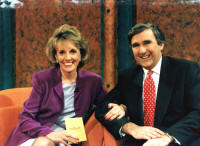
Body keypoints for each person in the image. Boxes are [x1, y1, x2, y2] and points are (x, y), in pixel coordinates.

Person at [95, 23, 200, 146]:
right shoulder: (128, 77)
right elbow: (102, 108)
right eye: (136, 45)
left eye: (147, 43)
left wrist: (168, 137)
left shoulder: (185, 70)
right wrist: (130, 127)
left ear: (161, 44)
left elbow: (197, 112)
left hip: (174, 140)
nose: (142, 50)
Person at [5, 24, 107, 146]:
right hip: (38, 134)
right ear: (56, 56)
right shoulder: (43, 79)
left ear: (81, 54)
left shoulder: (92, 81)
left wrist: (121, 107)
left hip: (69, 138)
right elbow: (26, 118)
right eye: (62, 52)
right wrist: (50, 133)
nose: (68, 57)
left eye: (73, 51)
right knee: (44, 143)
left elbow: (108, 103)